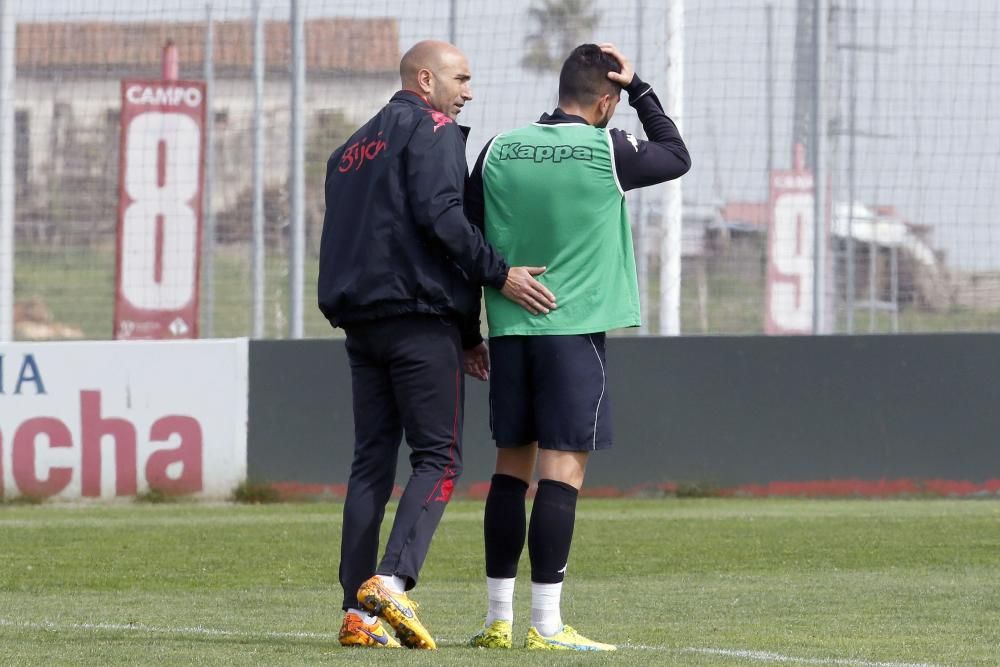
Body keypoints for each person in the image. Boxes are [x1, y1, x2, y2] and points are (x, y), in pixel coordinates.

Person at [318, 39, 557, 650]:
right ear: (425, 80)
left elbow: (381, 232)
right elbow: (443, 219)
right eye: (462, 78)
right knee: (439, 458)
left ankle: (358, 615)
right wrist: (499, 274)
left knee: (370, 462)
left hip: (361, 323)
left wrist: (466, 332)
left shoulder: (347, 152)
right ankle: (391, 582)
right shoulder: (434, 129)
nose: (468, 91)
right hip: (419, 323)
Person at [464, 43, 691, 651]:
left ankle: (495, 621)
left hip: (509, 332)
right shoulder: (606, 147)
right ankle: (546, 625)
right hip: (573, 332)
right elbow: (675, 155)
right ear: (607, 101)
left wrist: (469, 330)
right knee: (561, 473)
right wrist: (642, 88)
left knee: (510, 472)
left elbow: (465, 242)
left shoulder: (496, 149)